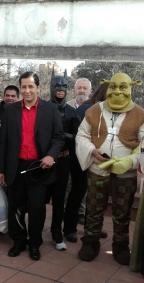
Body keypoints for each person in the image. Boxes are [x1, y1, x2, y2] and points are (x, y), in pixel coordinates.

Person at [0, 71, 64, 261]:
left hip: (39, 168)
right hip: (15, 167)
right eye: (23, 87)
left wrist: (51, 155)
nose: (27, 90)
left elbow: (59, 137)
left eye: (30, 86)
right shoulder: (10, 111)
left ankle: (34, 243)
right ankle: (18, 242)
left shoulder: (50, 110)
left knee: (36, 208)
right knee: (15, 207)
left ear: (38, 88)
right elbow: (3, 142)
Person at [76, 73, 144, 265]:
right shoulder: (94, 110)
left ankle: (121, 246)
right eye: (113, 87)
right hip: (98, 169)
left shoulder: (140, 113)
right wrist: (91, 151)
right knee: (94, 208)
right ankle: (90, 242)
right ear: (107, 87)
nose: (117, 91)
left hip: (126, 174)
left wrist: (130, 161)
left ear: (131, 88)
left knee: (122, 211)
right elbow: (82, 135)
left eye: (123, 87)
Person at [64, 83, 109, 244]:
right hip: (80, 159)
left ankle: (93, 227)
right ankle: (69, 229)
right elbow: (77, 136)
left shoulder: (106, 111)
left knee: (95, 194)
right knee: (78, 192)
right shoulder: (85, 110)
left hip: (97, 159)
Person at [46, 69, 81, 250]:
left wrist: (60, 136)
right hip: (44, 160)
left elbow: (77, 137)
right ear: (51, 87)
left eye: (64, 86)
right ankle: (34, 230)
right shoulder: (43, 108)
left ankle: (56, 232)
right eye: (57, 86)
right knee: (38, 198)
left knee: (59, 199)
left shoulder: (72, 112)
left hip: (63, 159)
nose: (60, 89)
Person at [66, 77, 92, 225]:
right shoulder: (67, 106)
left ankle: (80, 213)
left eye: (85, 88)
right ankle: (66, 211)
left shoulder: (93, 109)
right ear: (74, 89)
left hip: (85, 153)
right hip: (68, 153)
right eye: (79, 87)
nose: (81, 90)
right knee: (68, 184)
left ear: (90, 91)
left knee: (81, 185)